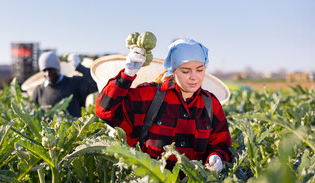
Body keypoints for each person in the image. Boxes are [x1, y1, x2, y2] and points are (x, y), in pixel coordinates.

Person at [95, 38, 232, 174]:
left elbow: (221, 144)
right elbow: (106, 110)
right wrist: (127, 74)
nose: (194, 77)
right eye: (185, 71)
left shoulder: (211, 104)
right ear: (173, 70)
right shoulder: (151, 95)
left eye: (200, 70)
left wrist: (218, 156)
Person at [31, 51, 98, 117]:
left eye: (51, 69)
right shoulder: (39, 90)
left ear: (58, 68)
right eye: (44, 71)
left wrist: (80, 67)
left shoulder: (74, 83)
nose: (48, 74)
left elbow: (95, 84)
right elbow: (31, 112)